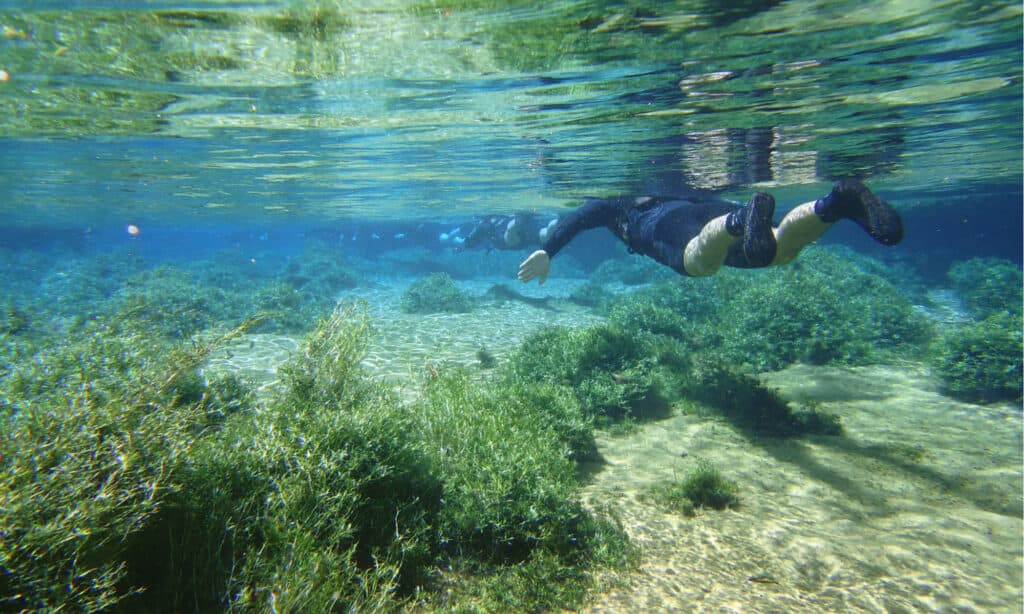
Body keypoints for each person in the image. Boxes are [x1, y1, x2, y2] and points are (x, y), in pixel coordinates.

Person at [517, 178, 902, 284]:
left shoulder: (617, 202)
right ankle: (836, 203)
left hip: (664, 224)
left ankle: (736, 223)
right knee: (778, 249)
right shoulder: (685, 181)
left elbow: (579, 218)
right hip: (707, 204)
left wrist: (548, 250)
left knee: (699, 262)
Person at [456, 213, 559, 251]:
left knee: (510, 235)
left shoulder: (484, 223)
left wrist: (465, 243)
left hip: (510, 241)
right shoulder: (487, 222)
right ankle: (559, 221)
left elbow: (470, 241)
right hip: (527, 231)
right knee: (545, 233)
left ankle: (517, 221)